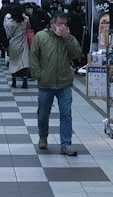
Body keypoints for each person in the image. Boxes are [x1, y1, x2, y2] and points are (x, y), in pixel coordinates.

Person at [29, 12, 82, 155]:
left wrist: (68, 38)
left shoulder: (67, 38)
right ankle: (43, 137)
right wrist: (39, 75)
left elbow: (77, 54)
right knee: (43, 113)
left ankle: (66, 144)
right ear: (52, 24)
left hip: (64, 83)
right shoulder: (41, 37)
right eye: (60, 24)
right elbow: (33, 56)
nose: (63, 27)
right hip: (46, 83)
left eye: (65, 24)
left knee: (66, 113)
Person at [3, 4, 30, 89]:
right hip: (23, 42)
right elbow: (29, 28)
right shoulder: (25, 21)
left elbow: (8, 34)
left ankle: (14, 80)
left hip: (13, 43)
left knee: (13, 61)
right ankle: (24, 78)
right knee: (24, 61)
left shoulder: (9, 23)